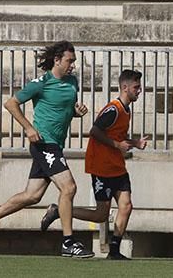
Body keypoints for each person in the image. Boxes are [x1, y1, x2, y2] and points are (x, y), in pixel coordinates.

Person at [0, 41, 94, 258]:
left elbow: (65, 108)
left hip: (56, 144)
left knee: (32, 196)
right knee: (68, 188)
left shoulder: (72, 82)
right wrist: (29, 128)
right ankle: (68, 243)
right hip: (44, 144)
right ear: (56, 60)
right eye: (69, 61)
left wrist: (77, 111)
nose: (72, 66)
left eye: (74, 61)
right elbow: (11, 103)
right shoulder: (41, 83)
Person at [40, 69, 150, 260]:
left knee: (126, 206)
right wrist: (118, 145)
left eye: (139, 87)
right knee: (101, 215)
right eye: (136, 87)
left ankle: (114, 251)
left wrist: (135, 143)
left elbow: (118, 136)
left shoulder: (126, 109)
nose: (139, 91)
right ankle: (58, 211)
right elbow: (95, 131)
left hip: (116, 166)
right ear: (125, 87)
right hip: (102, 167)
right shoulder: (112, 109)